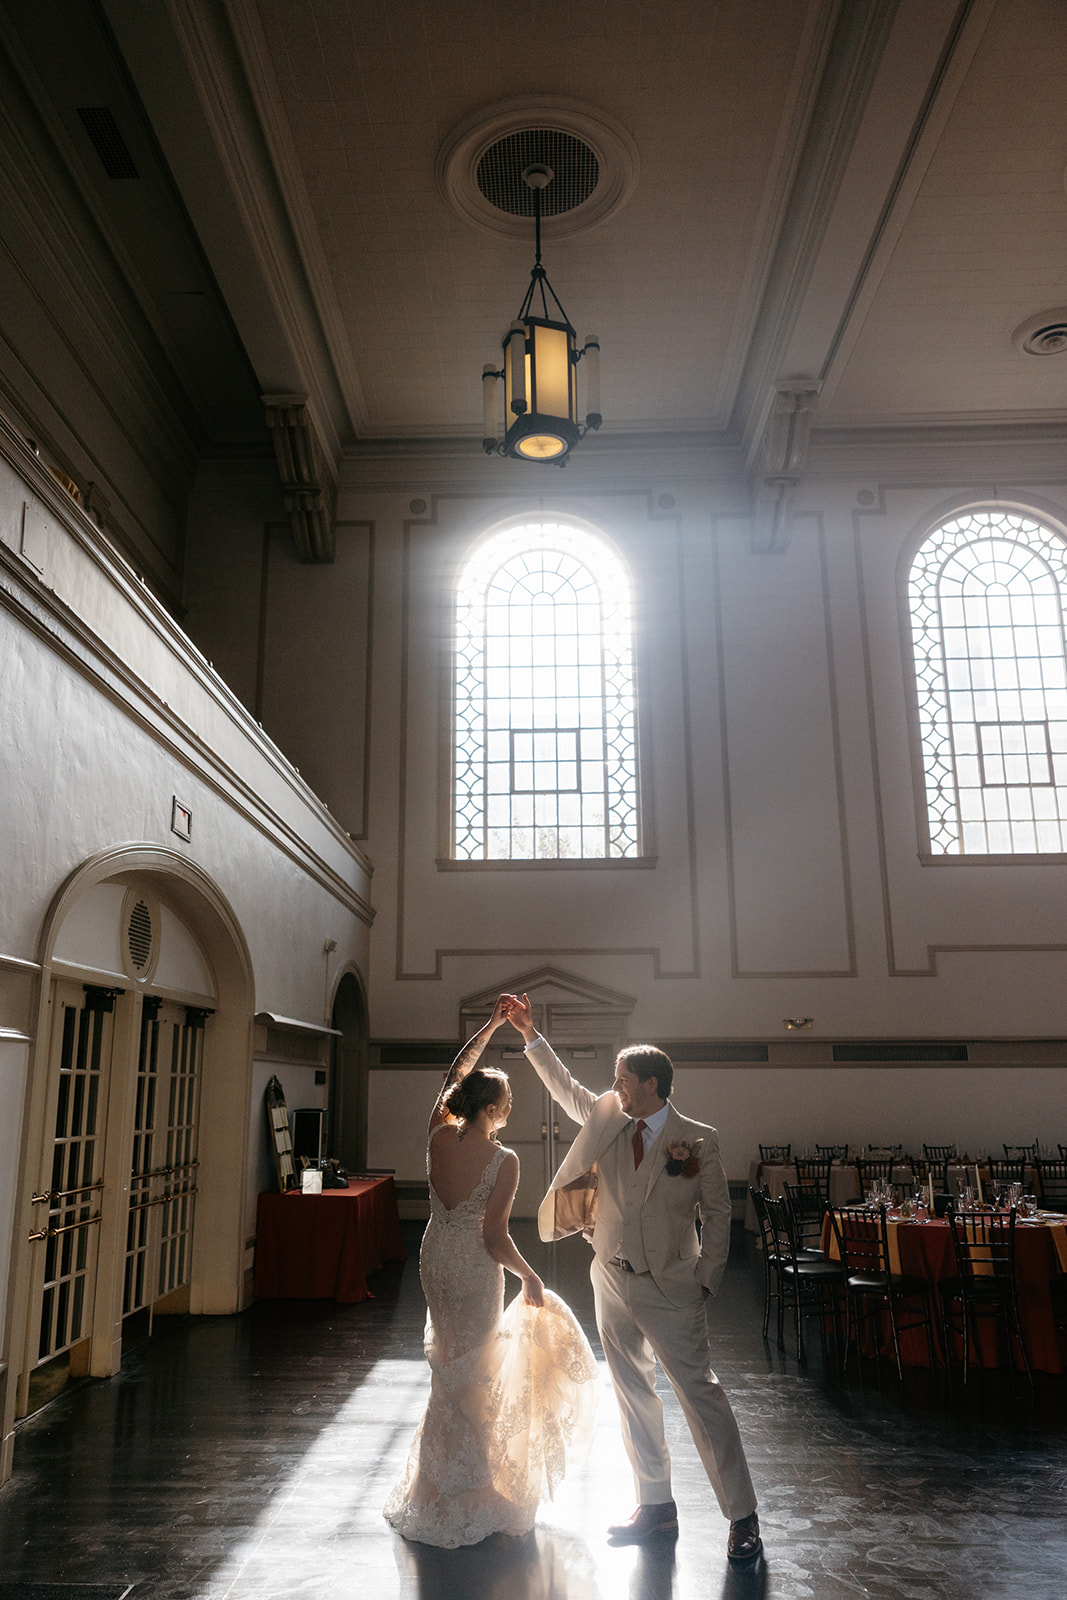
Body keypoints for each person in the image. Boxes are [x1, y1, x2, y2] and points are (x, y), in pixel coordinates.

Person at [507, 993, 762, 1562]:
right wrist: (530, 1035)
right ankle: (656, 1507)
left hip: (674, 1288)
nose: (614, 1087)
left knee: (702, 1399)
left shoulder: (698, 1140)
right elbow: (566, 1089)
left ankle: (742, 1517)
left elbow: (720, 1214)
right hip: (611, 1280)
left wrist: (707, 1277)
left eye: (622, 1079)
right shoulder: (608, 1116)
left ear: (650, 1084)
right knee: (632, 1395)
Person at [383, 996, 597, 1549]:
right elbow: (494, 1237)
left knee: (448, 1365)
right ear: (495, 1108)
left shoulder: (437, 1135)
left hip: (435, 1261)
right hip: (476, 1270)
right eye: (506, 1102)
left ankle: (434, 1489)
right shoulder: (505, 1161)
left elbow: (457, 1067)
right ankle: (475, 1488)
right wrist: (530, 1275)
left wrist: (491, 1025)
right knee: (477, 1374)